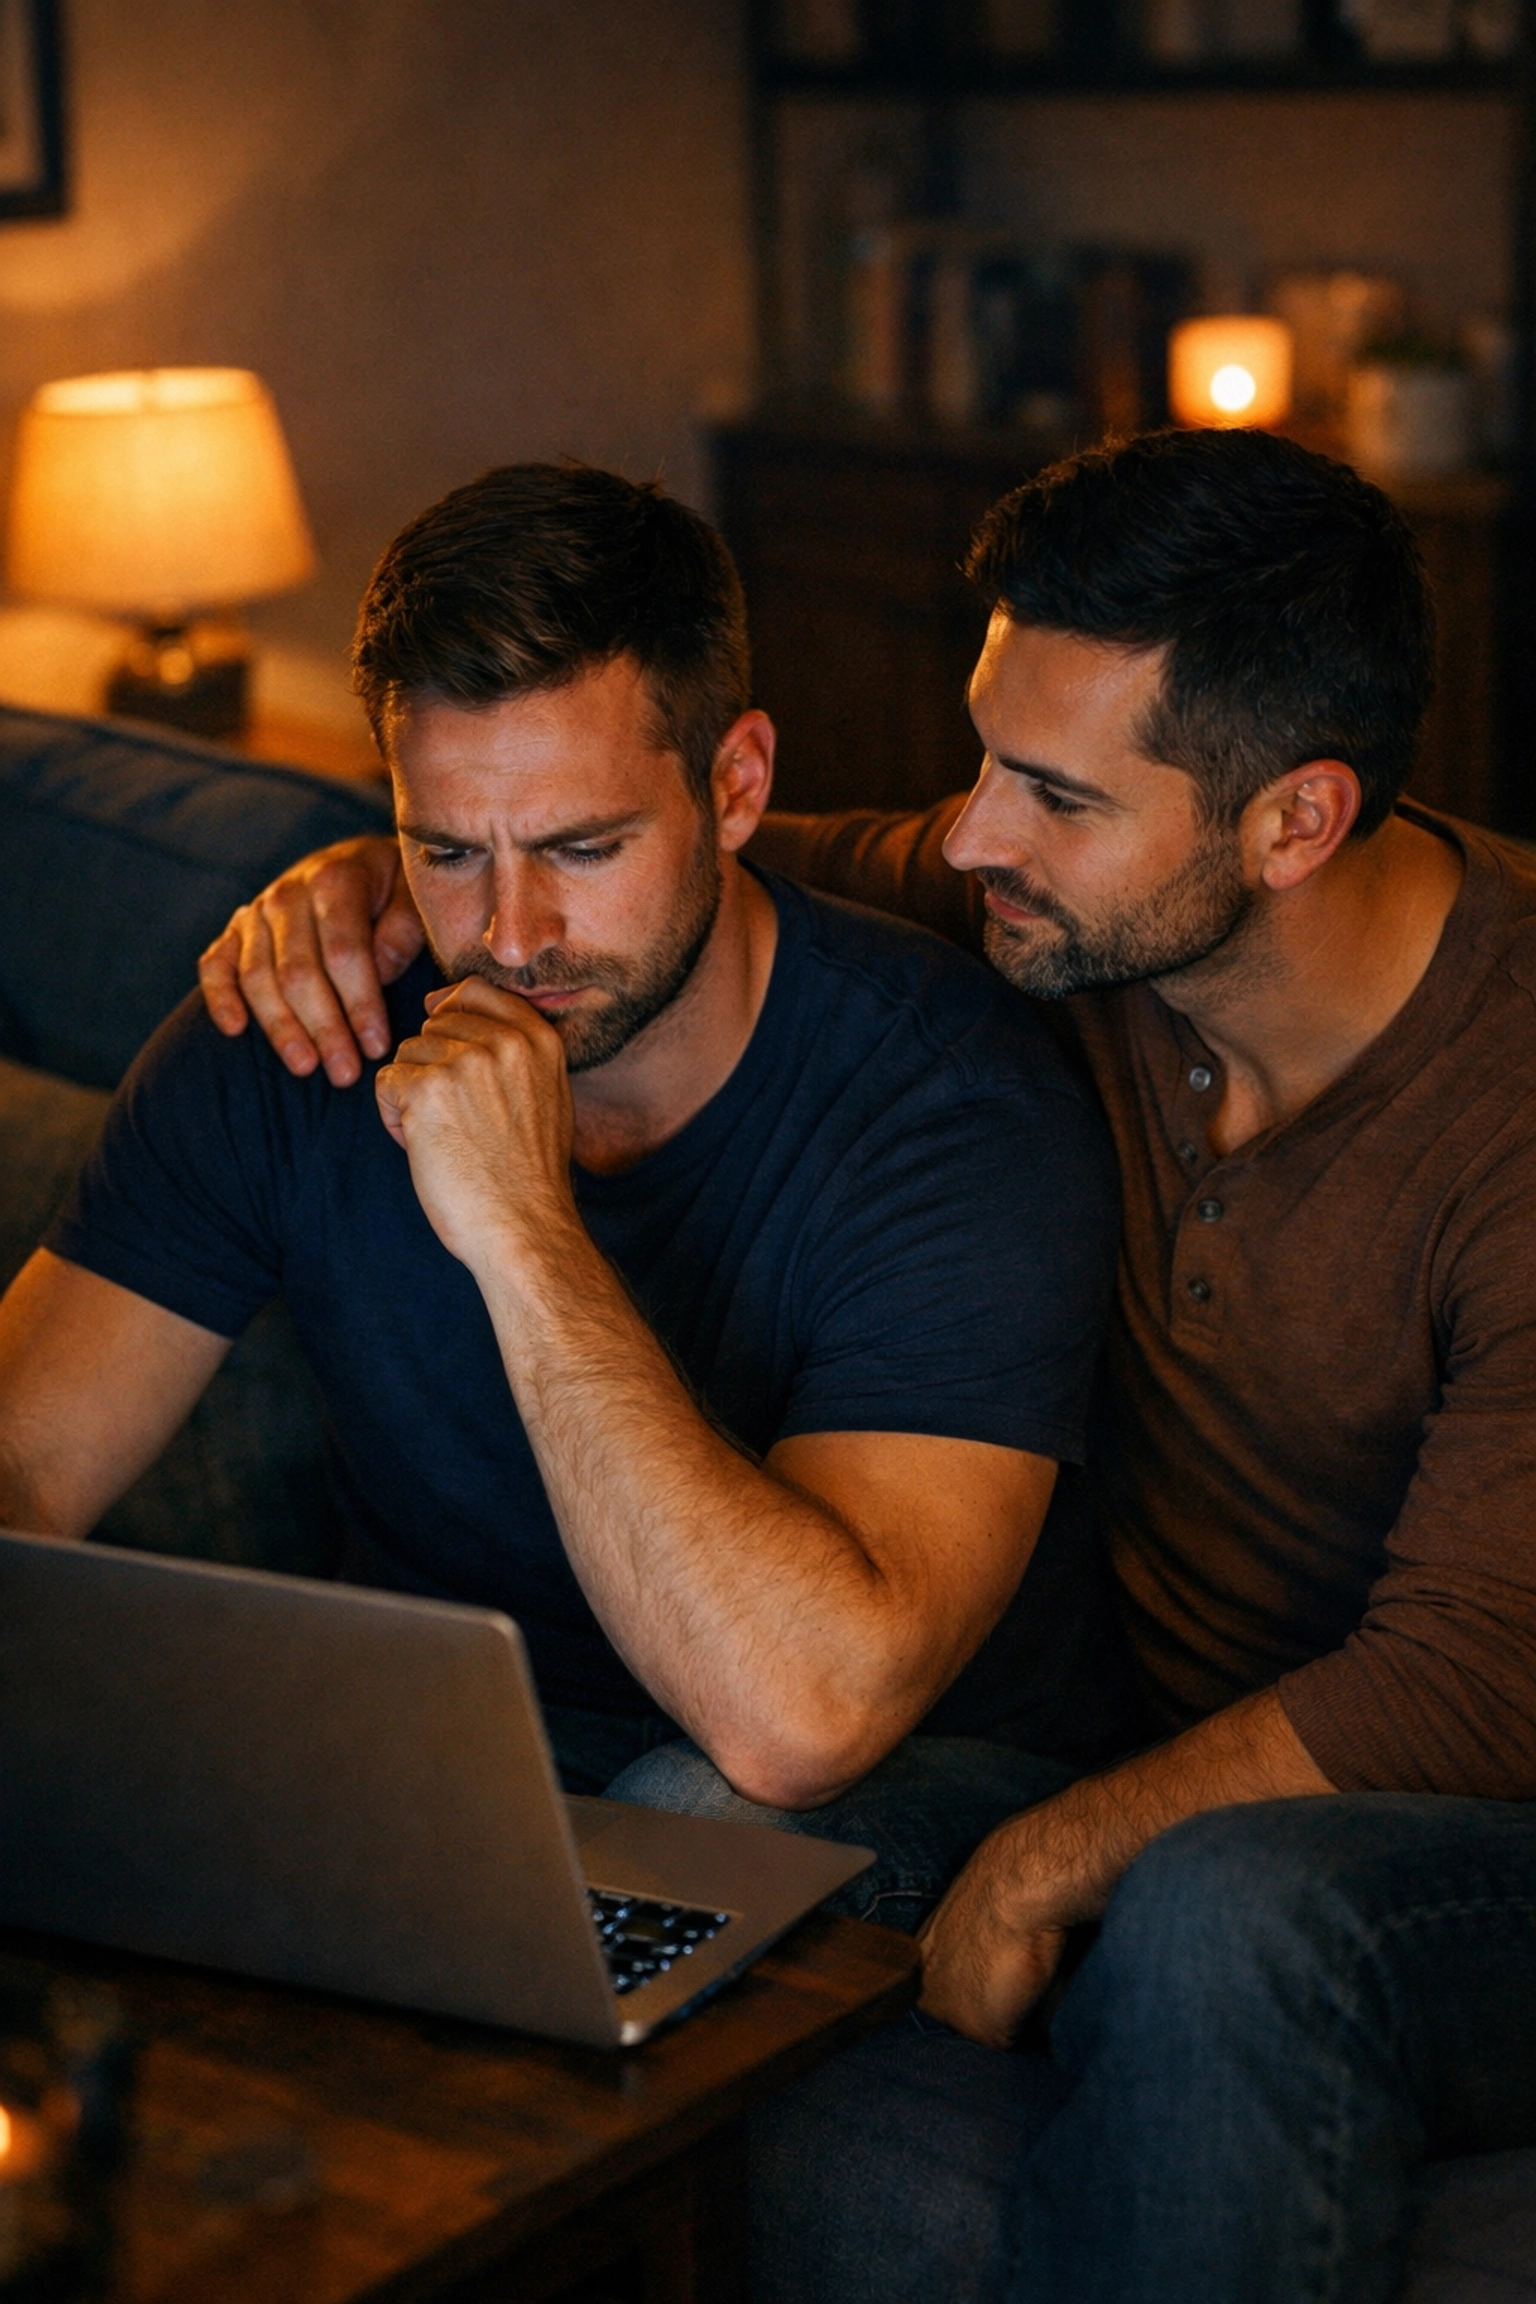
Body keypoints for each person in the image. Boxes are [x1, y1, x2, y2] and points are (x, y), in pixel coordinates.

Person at [203, 428, 1536, 2304]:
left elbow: (1478, 1686)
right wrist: (379, 881)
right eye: (988, 753)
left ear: (1294, 824)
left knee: (1233, 1914)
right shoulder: (1057, 915)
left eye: (1051, 795)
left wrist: (1074, 1849)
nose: (971, 830)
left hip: (1474, 1832)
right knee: (693, 1828)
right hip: (1113, 1738)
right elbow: (684, 884)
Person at [0, 462, 1124, 1910]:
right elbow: (26, 1464)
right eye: (447, 850)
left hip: (892, 1770)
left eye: (583, 849)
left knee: (691, 1818)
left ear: (736, 785)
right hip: (449, 1752)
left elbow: (798, 1723)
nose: (511, 935)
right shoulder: (315, 1016)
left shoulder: (953, 1107)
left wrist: (521, 1229)